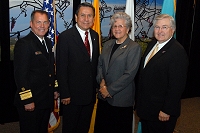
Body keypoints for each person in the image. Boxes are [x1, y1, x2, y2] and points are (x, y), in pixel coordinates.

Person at [135, 14, 189, 133]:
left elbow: (177, 85)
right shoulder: (153, 44)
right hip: (147, 108)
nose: (160, 31)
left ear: (172, 30)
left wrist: (167, 110)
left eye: (164, 27)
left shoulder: (177, 52)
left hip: (161, 112)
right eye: (157, 27)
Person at [94, 12, 142, 133]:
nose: (117, 29)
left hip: (120, 99)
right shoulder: (108, 44)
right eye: (114, 26)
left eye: (121, 26)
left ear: (128, 29)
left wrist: (109, 90)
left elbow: (129, 74)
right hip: (103, 97)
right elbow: (100, 65)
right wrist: (101, 83)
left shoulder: (133, 47)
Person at [56, 2, 99, 133]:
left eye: (90, 16)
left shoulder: (95, 36)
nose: (86, 19)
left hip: (90, 95)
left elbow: (94, 64)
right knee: (70, 128)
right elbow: (61, 67)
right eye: (83, 15)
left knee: (83, 127)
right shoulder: (66, 37)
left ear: (93, 18)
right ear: (76, 17)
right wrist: (65, 93)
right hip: (72, 96)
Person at [14, 10, 59, 133]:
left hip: (45, 99)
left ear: (49, 24)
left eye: (45, 22)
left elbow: (50, 69)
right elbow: (20, 75)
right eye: (38, 22)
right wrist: (28, 100)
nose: (42, 26)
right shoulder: (24, 44)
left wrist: (55, 88)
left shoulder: (48, 42)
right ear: (31, 24)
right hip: (31, 101)